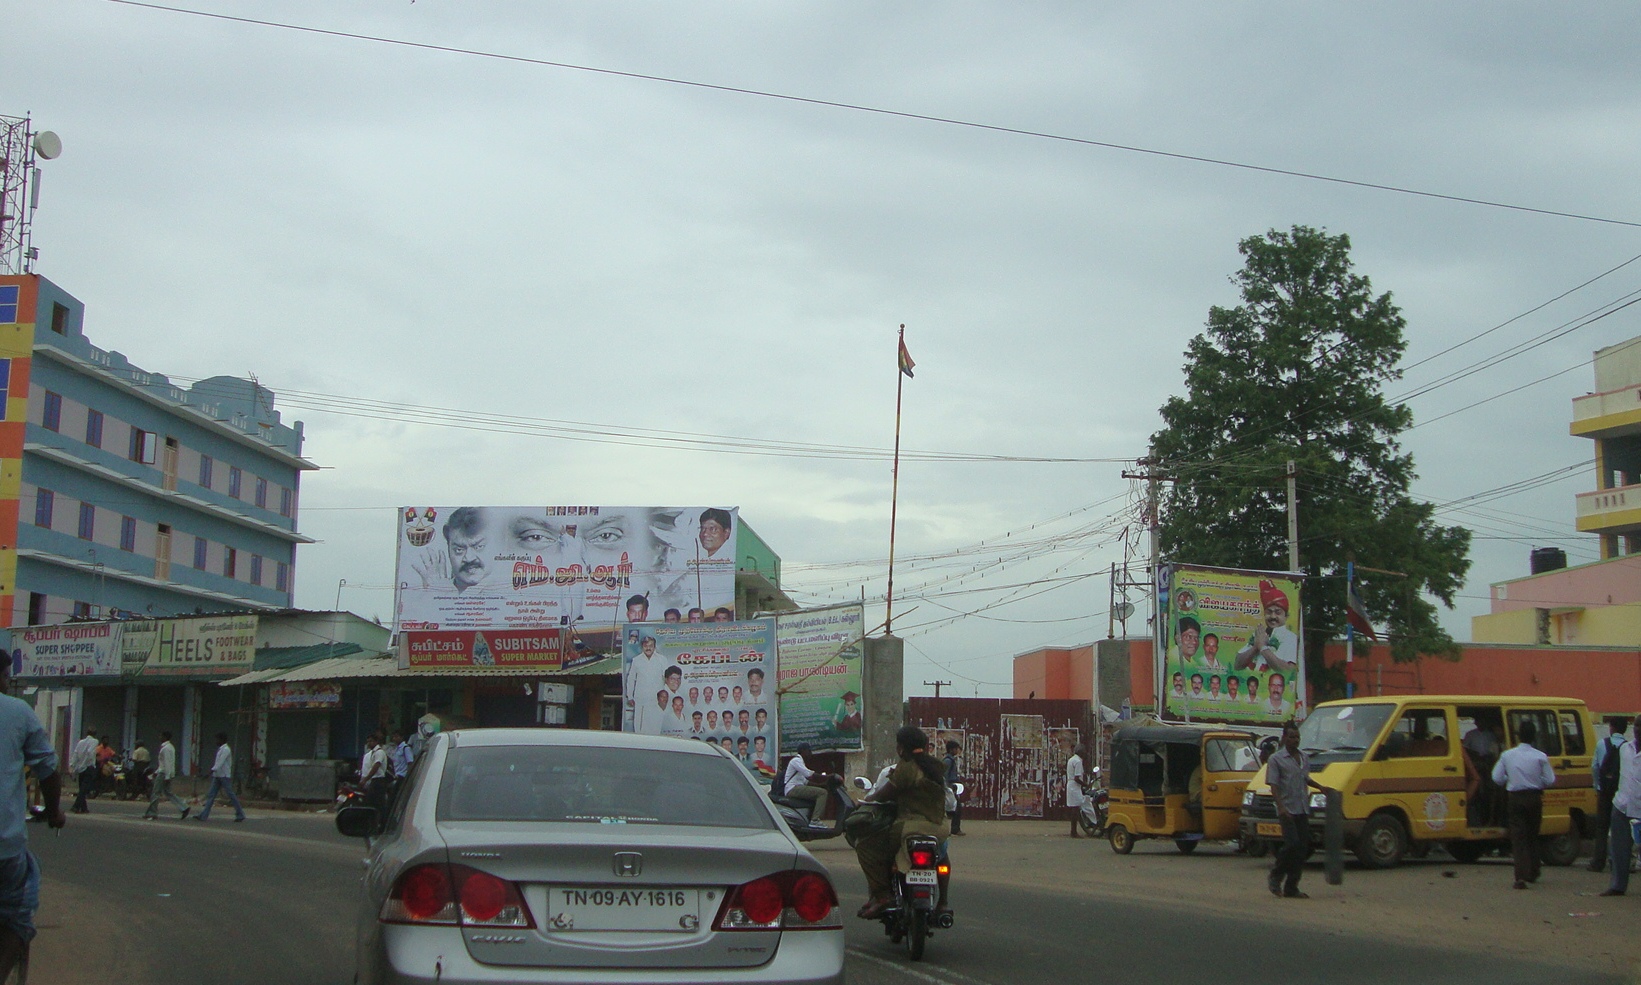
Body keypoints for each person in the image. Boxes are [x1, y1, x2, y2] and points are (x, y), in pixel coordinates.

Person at [0, 651, 64, 979]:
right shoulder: (17, 711)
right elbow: (48, 769)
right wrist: (54, 811)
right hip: (4, 845)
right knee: (17, 914)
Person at [853, 727, 951, 919]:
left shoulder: (905, 767)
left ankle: (882, 896)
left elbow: (883, 794)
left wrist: (866, 800)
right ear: (925, 746)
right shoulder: (937, 767)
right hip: (940, 828)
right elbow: (949, 799)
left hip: (909, 827)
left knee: (869, 848)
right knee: (942, 856)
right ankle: (943, 902)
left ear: (900, 748)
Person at [1267, 722, 1327, 898]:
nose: (1295, 740)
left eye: (1297, 737)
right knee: (1292, 844)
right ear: (1285, 738)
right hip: (1287, 809)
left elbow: (1305, 778)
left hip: (1301, 808)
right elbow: (1274, 785)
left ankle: (1292, 887)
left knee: (1302, 849)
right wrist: (1281, 807)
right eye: (1292, 737)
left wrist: (1321, 788)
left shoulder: (1304, 758)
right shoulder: (1276, 759)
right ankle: (1276, 875)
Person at [1492, 720, 1554, 890]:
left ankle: (1520, 876)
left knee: (1518, 838)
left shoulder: (1507, 755)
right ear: (1534, 736)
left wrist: (1510, 780)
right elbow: (1550, 780)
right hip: (1534, 798)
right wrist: (1537, 782)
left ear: (1518, 736)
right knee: (1533, 835)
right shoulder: (1540, 756)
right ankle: (1534, 871)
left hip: (1515, 798)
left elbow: (1496, 777)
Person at [1599, 714, 1641, 896]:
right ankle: (1618, 885)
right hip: (1622, 805)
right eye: (1637, 726)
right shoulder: (1625, 749)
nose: (1639, 730)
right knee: (1619, 849)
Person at [1235, 581, 1300, 673]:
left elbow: (1288, 671)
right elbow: (1237, 665)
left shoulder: (1290, 638)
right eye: (1269, 612)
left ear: (1286, 616)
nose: (1273, 616)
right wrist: (1255, 647)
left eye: (1278, 612)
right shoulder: (1259, 634)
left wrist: (1263, 647)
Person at [1591, 717, 1629, 872]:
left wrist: (1597, 786)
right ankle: (1619, 861)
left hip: (1604, 791)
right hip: (1621, 792)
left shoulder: (1602, 744)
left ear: (1611, 727)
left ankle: (1598, 862)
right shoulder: (1628, 747)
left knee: (1601, 827)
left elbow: (1595, 766)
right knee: (1621, 828)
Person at [195, 733, 246, 823]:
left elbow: (219, 763)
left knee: (230, 795)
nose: (216, 741)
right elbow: (217, 763)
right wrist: (213, 772)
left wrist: (210, 772)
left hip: (224, 776)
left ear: (222, 740)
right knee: (211, 795)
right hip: (218, 775)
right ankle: (203, 815)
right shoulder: (221, 749)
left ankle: (240, 814)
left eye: (218, 739)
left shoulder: (226, 749)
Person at [143, 731, 189, 820]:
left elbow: (167, 763)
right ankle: (184, 807)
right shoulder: (170, 747)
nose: (159, 737)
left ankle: (152, 813)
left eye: (161, 736)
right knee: (168, 792)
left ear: (164, 737)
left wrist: (167, 776)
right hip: (165, 772)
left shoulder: (166, 748)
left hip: (164, 774)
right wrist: (157, 772)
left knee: (155, 793)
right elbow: (165, 763)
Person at [782, 744, 832, 821]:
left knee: (820, 791)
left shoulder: (801, 763)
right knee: (823, 793)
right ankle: (815, 820)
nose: (810, 754)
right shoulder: (796, 760)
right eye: (809, 751)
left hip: (797, 788)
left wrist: (822, 785)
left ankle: (809, 819)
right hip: (793, 789)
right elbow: (809, 774)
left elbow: (806, 782)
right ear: (803, 751)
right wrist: (828, 776)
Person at [69, 727, 98, 814]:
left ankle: (84, 808)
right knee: (84, 789)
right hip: (89, 767)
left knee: (82, 788)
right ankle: (76, 806)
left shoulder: (80, 742)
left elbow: (75, 754)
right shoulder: (94, 741)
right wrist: (90, 762)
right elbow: (90, 752)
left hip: (80, 768)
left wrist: (72, 766)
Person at [943, 740, 965, 836]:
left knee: (953, 808)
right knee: (956, 807)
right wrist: (948, 787)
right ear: (951, 749)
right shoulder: (948, 761)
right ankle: (954, 829)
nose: (957, 750)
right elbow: (945, 775)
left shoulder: (950, 760)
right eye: (956, 749)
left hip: (952, 786)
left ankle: (953, 829)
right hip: (950, 787)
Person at [1066, 744, 1086, 838]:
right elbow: (1077, 778)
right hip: (1075, 786)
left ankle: (1073, 830)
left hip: (1070, 785)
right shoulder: (1078, 761)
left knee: (1073, 808)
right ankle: (1073, 831)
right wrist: (1086, 785)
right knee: (1076, 808)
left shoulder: (1071, 759)